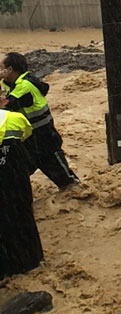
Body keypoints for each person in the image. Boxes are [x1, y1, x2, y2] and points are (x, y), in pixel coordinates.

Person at [0, 52, 79, 189]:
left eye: (1, 67)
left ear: (10, 69)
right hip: (29, 137)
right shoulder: (15, 82)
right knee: (17, 171)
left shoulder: (25, 86)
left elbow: (5, 105)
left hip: (43, 137)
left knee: (65, 179)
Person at [0, 109, 44, 280]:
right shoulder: (13, 118)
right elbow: (28, 136)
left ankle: (7, 270)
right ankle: (32, 261)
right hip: (15, 178)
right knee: (23, 217)